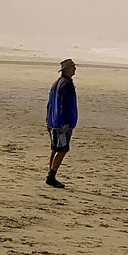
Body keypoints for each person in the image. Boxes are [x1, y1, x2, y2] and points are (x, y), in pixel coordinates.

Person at [45, 58, 78, 188]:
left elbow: (50, 104)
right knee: (62, 149)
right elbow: (64, 105)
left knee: (55, 148)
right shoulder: (67, 84)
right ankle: (51, 176)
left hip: (52, 121)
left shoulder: (56, 83)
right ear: (66, 70)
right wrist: (65, 123)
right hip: (61, 123)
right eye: (73, 67)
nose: (75, 69)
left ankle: (50, 173)